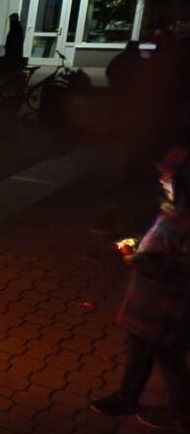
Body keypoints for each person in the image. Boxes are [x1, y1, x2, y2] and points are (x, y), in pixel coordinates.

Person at [90, 146, 190, 431]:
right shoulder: (174, 207)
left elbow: (178, 267)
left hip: (169, 307)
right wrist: (139, 243)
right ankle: (127, 397)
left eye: (167, 174)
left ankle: (183, 413)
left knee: (169, 357)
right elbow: (162, 243)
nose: (161, 178)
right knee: (140, 347)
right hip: (150, 301)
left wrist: (135, 258)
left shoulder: (185, 217)